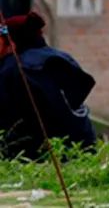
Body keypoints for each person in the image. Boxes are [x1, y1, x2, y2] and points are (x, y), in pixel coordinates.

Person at [0, 12, 96, 160]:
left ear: (11, 44)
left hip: (38, 159)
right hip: (84, 152)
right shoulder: (63, 59)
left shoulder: (13, 69)